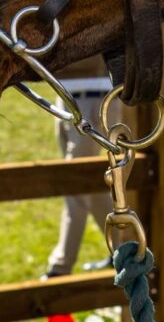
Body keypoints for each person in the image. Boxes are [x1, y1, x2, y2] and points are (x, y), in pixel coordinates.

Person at [42, 60, 119, 279]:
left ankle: (60, 267)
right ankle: (122, 251)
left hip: (95, 95)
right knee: (90, 185)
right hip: (67, 93)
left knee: (75, 183)